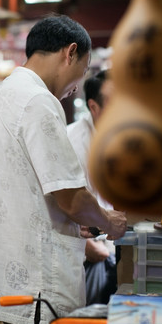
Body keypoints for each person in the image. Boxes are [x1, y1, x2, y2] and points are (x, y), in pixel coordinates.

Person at [0, 14, 127, 324]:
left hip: (8, 281)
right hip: (37, 284)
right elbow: (71, 198)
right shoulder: (39, 101)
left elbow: (31, 193)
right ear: (70, 53)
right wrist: (110, 222)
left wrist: (80, 221)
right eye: (85, 67)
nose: (79, 83)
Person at [66, 69, 117, 305]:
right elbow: (66, 207)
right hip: (85, 255)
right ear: (93, 107)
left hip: (110, 243)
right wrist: (93, 250)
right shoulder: (76, 143)